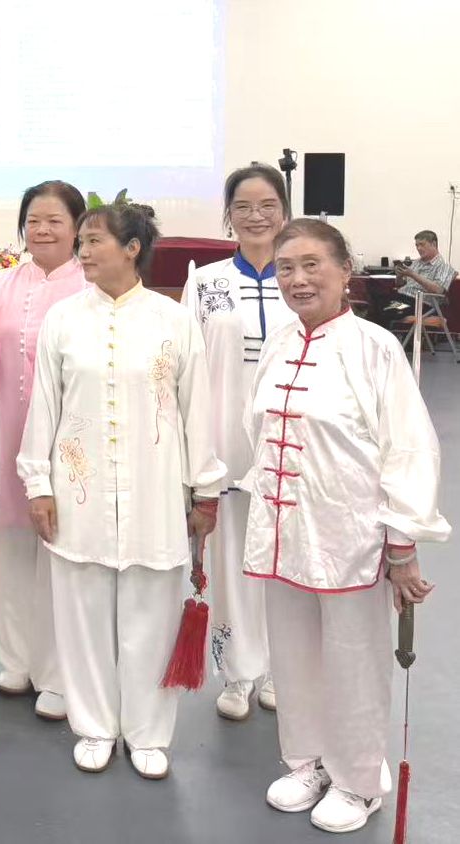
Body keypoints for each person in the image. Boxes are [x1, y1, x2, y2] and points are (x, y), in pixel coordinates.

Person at [245, 219, 449, 834]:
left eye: (312, 265)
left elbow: (408, 448)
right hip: (282, 532)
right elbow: (258, 432)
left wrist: (402, 542)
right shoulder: (278, 343)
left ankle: (359, 780)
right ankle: (306, 762)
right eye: (286, 267)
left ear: (344, 271)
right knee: (293, 656)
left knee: (354, 661)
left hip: (350, 535)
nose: (298, 279)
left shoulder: (374, 348)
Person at [20, 203, 224, 780]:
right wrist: (38, 483)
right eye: (81, 242)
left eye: (94, 241)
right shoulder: (63, 319)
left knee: (151, 612)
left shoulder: (172, 320)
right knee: (81, 611)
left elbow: (196, 409)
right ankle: (93, 726)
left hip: (154, 489)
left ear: (132, 248)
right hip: (78, 488)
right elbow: (45, 406)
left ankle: (148, 732)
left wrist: (204, 489)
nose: (82, 252)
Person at [181, 164, 294, 721]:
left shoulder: (302, 278)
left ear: (285, 211)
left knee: (282, 558)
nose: (256, 216)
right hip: (225, 442)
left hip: (291, 443)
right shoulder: (206, 282)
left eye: (267, 205)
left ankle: (279, 668)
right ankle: (236, 671)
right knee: (229, 557)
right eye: (243, 207)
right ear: (228, 215)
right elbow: (189, 370)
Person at [0, 180, 88, 721]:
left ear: (77, 228)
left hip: (66, 437)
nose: (42, 230)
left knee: (58, 555)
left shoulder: (89, 284)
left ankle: (58, 673)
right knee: (8, 551)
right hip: (6, 428)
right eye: (33, 220)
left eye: (54, 221)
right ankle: (16, 659)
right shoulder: (0, 283)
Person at [376, 229, 456, 326]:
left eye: (422, 244)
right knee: (374, 303)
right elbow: (400, 285)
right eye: (417, 245)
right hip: (402, 298)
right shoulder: (416, 263)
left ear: (434, 244)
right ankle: (418, 320)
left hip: (420, 303)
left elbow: (438, 290)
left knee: (384, 312)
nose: (418, 248)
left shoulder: (445, 266)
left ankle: (418, 320)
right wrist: (399, 275)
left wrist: (413, 274)